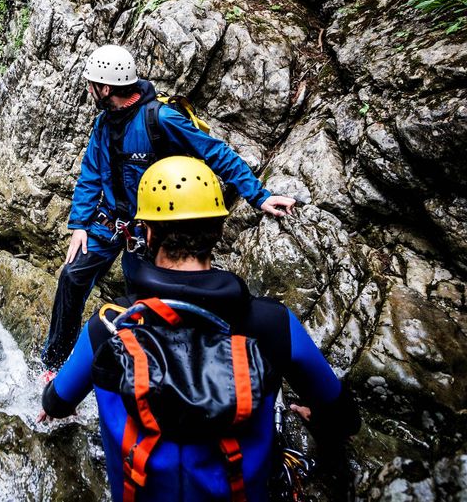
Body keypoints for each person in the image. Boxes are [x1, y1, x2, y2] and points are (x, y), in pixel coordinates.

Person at [40, 156, 360, 502]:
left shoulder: (110, 325)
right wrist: (317, 416)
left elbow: (55, 402)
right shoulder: (273, 324)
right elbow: (344, 420)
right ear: (219, 229)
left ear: (147, 233)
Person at [41, 43, 296, 372]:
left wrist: (258, 196)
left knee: (142, 296)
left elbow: (215, 153)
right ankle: (55, 363)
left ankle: (143, 368)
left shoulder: (161, 118)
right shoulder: (104, 123)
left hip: (151, 228)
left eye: (92, 84)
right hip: (111, 222)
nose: (89, 89)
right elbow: (91, 174)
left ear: (105, 89)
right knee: (73, 276)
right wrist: (79, 225)